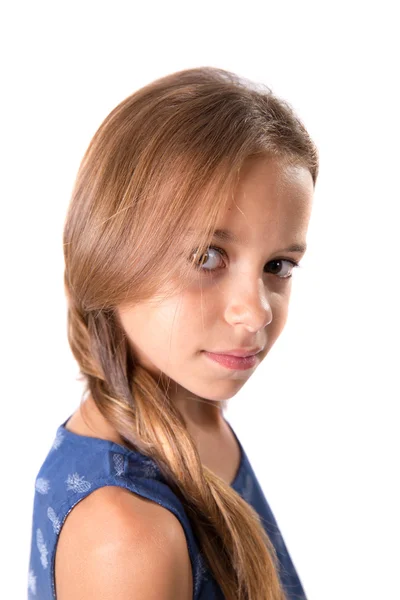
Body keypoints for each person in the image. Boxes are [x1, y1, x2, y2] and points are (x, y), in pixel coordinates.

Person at [27, 66, 318, 600]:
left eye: (278, 266)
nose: (255, 314)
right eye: (208, 256)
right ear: (112, 257)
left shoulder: (194, 413)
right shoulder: (126, 534)